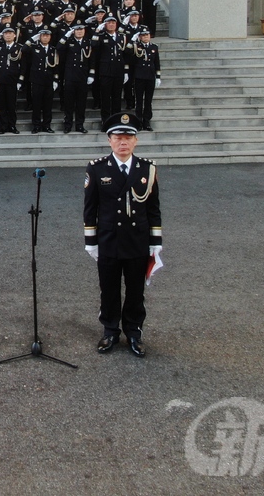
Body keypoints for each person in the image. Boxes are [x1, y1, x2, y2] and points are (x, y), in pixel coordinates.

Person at [82, 111, 162, 358]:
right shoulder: (96, 169)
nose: (123, 141)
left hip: (137, 241)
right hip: (108, 240)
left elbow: (153, 208)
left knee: (136, 290)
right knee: (109, 288)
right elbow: (90, 208)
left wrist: (155, 242)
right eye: (118, 137)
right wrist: (91, 242)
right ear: (109, 140)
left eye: (128, 137)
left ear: (136, 141)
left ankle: (134, 332)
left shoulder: (147, 169)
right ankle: (110, 330)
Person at [130, 28, 161, 131]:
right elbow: (128, 52)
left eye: (147, 35)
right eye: (143, 35)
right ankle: (138, 121)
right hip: (139, 77)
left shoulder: (154, 47)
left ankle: (146, 121)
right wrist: (132, 41)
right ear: (140, 37)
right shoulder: (136, 47)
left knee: (148, 101)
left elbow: (157, 63)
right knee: (139, 101)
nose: (146, 37)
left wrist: (158, 76)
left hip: (150, 77)